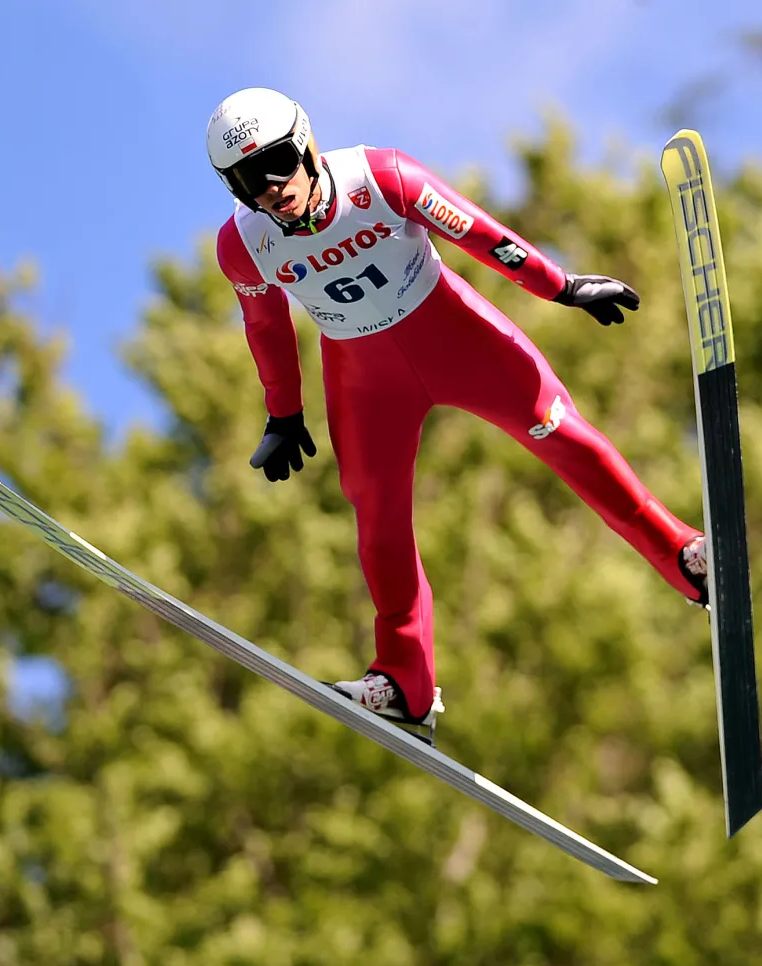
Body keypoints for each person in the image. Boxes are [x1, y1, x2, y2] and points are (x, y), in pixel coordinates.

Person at [207, 87, 708, 734]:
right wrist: (283, 415)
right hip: (365, 381)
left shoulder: (382, 177)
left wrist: (562, 286)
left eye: (276, 162)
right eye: (246, 179)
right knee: (379, 525)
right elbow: (266, 328)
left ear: (306, 144)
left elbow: (480, 233)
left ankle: (685, 557)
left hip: (455, 336)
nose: (269, 188)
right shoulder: (244, 245)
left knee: (563, 435)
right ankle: (404, 683)